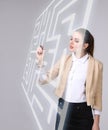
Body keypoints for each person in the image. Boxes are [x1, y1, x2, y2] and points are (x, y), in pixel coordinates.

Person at [36, 28, 103, 130]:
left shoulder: (96, 65)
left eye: (76, 41)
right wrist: (40, 62)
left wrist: (96, 123)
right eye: (71, 39)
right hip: (64, 110)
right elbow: (44, 79)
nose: (71, 42)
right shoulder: (64, 60)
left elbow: (97, 95)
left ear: (85, 45)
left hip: (84, 113)